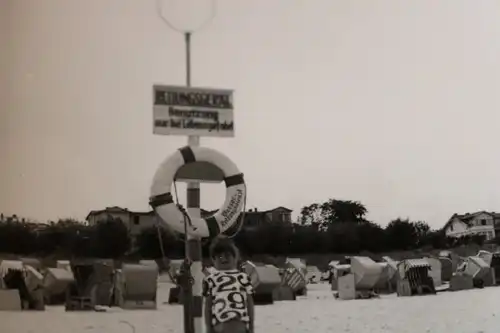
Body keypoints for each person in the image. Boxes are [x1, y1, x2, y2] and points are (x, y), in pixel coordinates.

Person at [203, 236, 255, 333]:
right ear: (213, 260)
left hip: (240, 325)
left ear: (235, 258)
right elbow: (208, 306)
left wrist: (251, 326)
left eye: (227, 255)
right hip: (220, 325)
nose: (223, 258)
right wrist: (208, 328)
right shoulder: (211, 279)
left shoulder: (243, 278)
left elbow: (249, 303)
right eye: (219, 256)